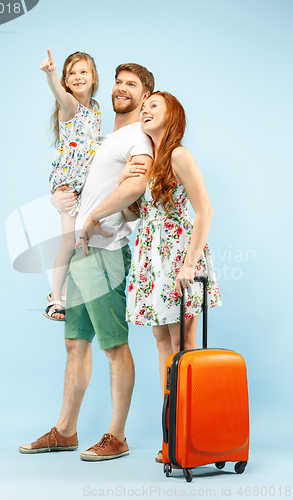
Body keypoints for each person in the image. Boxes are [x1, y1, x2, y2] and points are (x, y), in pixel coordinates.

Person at [19, 63, 155, 461]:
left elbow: (137, 191)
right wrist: (60, 199)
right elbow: (80, 179)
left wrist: (96, 219)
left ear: (146, 96)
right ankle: (65, 430)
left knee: (114, 346)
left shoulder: (139, 139)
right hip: (81, 251)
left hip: (105, 253)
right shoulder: (104, 135)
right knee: (75, 344)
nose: (121, 88)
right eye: (118, 81)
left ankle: (117, 436)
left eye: (132, 84)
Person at [79, 91, 222, 464]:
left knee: (184, 340)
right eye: (144, 107)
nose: (145, 110)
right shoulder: (151, 160)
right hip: (151, 256)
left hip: (177, 254)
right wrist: (125, 183)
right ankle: (172, 434)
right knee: (162, 341)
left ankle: (190, 433)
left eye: (153, 105)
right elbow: (132, 216)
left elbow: (204, 210)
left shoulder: (178, 154)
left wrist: (190, 263)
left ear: (172, 114)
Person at [40, 49, 101, 321]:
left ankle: (68, 292)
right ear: (66, 81)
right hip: (68, 185)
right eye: (71, 74)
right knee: (68, 242)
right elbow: (59, 94)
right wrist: (52, 74)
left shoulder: (95, 109)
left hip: (86, 185)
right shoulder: (70, 106)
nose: (77, 77)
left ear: (94, 77)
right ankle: (55, 297)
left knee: (80, 241)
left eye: (83, 72)